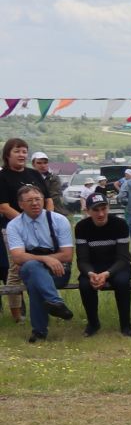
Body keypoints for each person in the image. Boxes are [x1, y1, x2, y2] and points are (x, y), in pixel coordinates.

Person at [5, 185, 75, 340]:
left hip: (58, 270)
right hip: (31, 268)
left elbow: (67, 255)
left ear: (43, 200)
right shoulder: (14, 225)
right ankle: (55, 302)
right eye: (29, 200)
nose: (35, 203)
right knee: (32, 268)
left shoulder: (59, 220)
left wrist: (50, 260)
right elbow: (17, 257)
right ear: (20, 204)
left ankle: (39, 332)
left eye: (38, 199)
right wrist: (44, 258)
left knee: (35, 283)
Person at [72, 191, 131, 337]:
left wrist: (107, 274)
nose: (100, 214)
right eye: (96, 210)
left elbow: (123, 257)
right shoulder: (81, 227)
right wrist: (91, 273)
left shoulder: (120, 224)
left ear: (108, 208)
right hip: (93, 267)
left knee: (122, 281)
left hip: (118, 266)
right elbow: (82, 260)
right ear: (87, 211)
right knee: (85, 284)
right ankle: (93, 324)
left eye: (103, 208)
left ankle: (126, 324)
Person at [0, 137, 49, 321]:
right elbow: (3, 206)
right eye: (17, 151)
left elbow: (48, 198)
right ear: (7, 155)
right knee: (16, 269)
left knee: (42, 264)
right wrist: (26, 222)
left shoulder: (34, 174)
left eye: (24, 151)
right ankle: (17, 315)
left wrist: (47, 220)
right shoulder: (2, 176)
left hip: (41, 227)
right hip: (13, 228)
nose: (22, 155)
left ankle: (45, 308)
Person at [34, 153, 66, 217]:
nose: (43, 165)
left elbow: (54, 196)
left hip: (55, 211)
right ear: (33, 164)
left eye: (45, 163)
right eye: (39, 163)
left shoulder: (54, 178)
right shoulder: (29, 177)